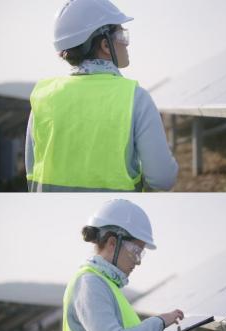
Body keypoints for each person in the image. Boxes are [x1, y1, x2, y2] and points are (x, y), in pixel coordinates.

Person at [26, 0, 178, 192]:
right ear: (106, 45)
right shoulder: (135, 98)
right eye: (123, 35)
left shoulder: (43, 98)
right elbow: (163, 178)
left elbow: (32, 173)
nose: (127, 43)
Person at [63, 199, 183, 331]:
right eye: (136, 251)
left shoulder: (106, 284)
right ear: (112, 243)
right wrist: (159, 322)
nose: (138, 260)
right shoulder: (90, 284)